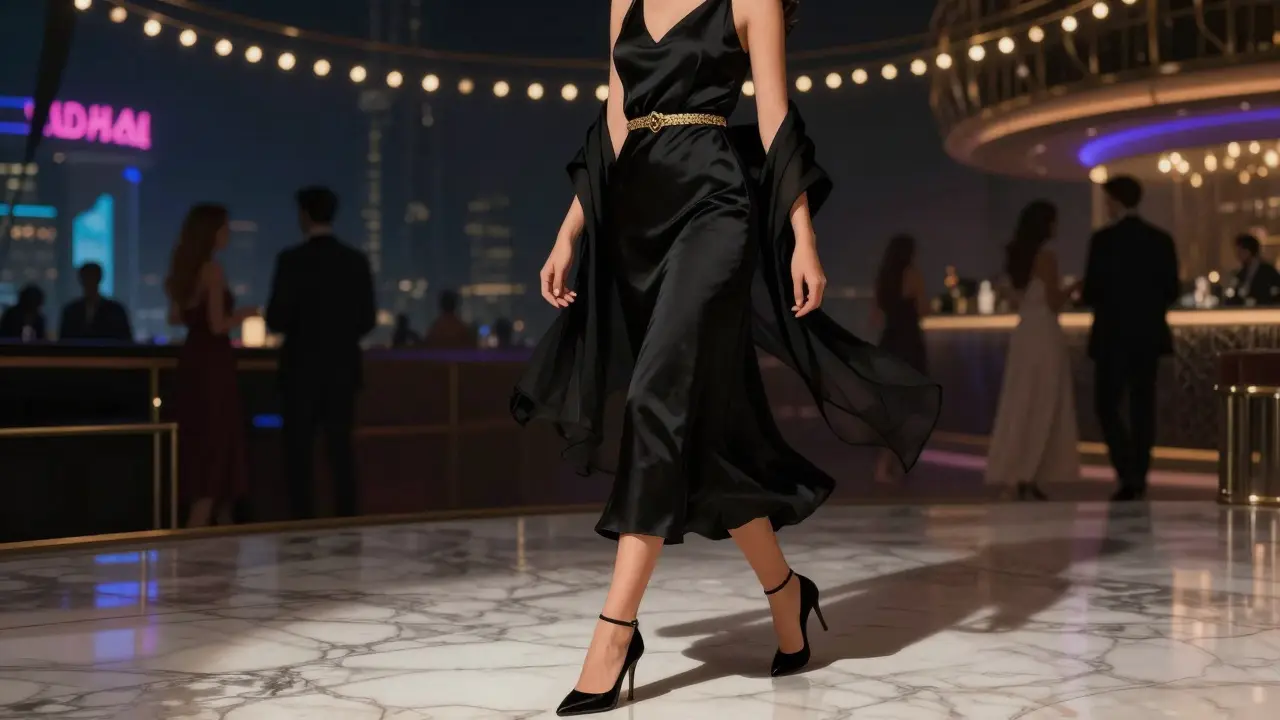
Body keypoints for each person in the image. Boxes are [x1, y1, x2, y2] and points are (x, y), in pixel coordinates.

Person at [510, 0, 941, 714]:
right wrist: (570, 232)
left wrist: (803, 233)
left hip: (715, 209)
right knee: (710, 433)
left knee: (654, 399)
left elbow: (774, 117)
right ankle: (786, 593)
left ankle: (615, 632)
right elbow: (615, 122)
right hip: (635, 221)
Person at [266, 186, 376, 521]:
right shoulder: (355, 261)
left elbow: (276, 319)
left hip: (299, 370)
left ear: (304, 215)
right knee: (340, 450)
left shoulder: (291, 260)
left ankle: (302, 523)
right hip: (342, 369)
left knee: (298, 453)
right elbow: (367, 320)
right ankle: (347, 521)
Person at [1082, 176, 1180, 502]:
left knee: (1106, 405)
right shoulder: (1160, 239)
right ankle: (1139, 473)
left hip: (1112, 336)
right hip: (1148, 336)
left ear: (1116, 200)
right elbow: (1172, 290)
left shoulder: (1103, 240)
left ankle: (1127, 472)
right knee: (1143, 408)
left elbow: (1091, 292)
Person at [167, 204, 256, 527]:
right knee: (217, 446)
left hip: (193, 362)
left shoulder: (183, 268)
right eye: (224, 228)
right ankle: (197, 539)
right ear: (211, 232)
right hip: (215, 364)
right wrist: (246, 314)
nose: (228, 233)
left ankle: (214, 536)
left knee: (201, 443)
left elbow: (175, 318)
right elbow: (219, 325)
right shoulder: (212, 270)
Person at [985, 201, 1079, 500]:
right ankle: (1031, 473)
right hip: (1045, 334)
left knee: (1021, 401)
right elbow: (1054, 301)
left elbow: (1015, 299)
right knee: (1045, 402)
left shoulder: (1016, 258)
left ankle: (1018, 473)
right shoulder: (1046, 257)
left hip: (1024, 333)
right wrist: (1076, 286)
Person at [871, 234, 929, 484]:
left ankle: (890, 464)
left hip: (890, 341)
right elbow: (924, 309)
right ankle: (886, 465)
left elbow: (874, 317)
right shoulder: (912, 274)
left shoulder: (883, 278)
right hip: (909, 343)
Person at [59, 263, 134, 342]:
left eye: (92, 277)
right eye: (87, 277)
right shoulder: (70, 311)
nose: (90, 281)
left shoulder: (116, 310)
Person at [1226, 233, 1280, 306]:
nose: (1237, 255)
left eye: (1240, 251)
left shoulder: (1268, 271)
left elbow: (1274, 296)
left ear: (1248, 251)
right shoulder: (1239, 273)